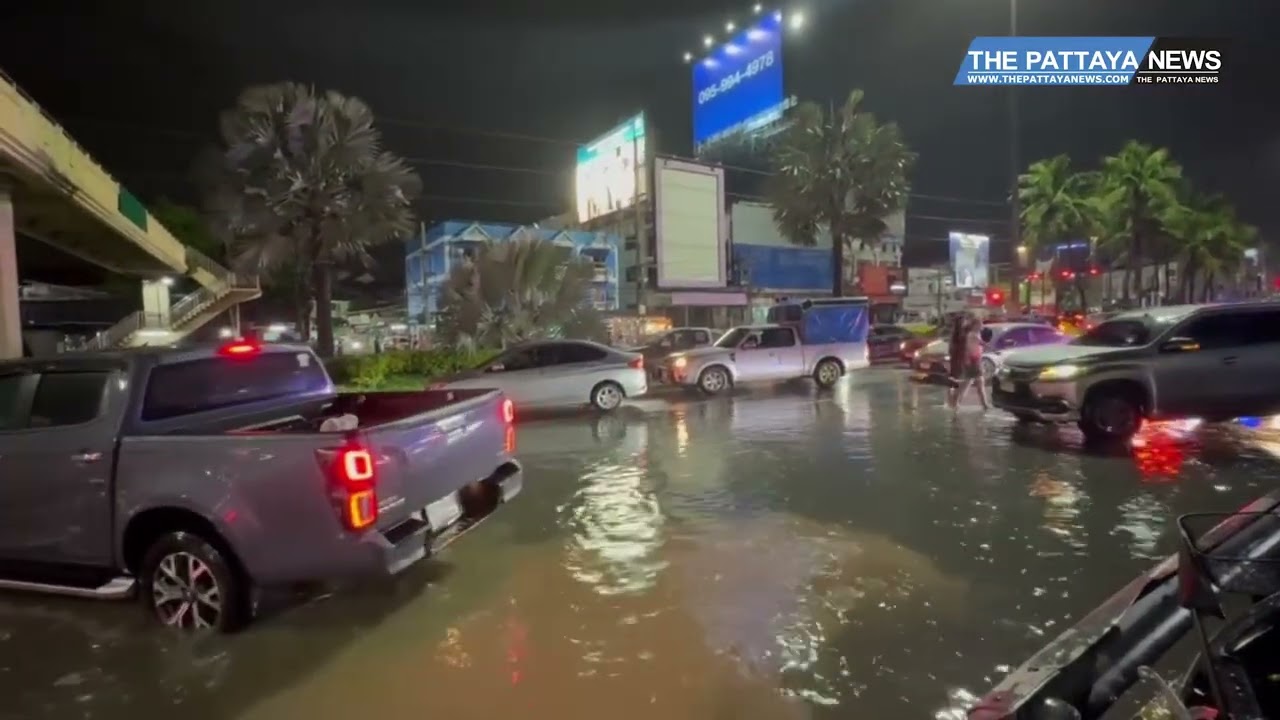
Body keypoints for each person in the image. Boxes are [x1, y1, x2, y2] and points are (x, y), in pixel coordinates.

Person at [947, 314, 990, 410]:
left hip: (973, 360)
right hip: (972, 360)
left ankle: (955, 402)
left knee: (967, 382)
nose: (982, 325)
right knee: (976, 382)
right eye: (980, 324)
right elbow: (976, 346)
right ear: (975, 325)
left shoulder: (970, 334)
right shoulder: (972, 335)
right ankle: (984, 405)